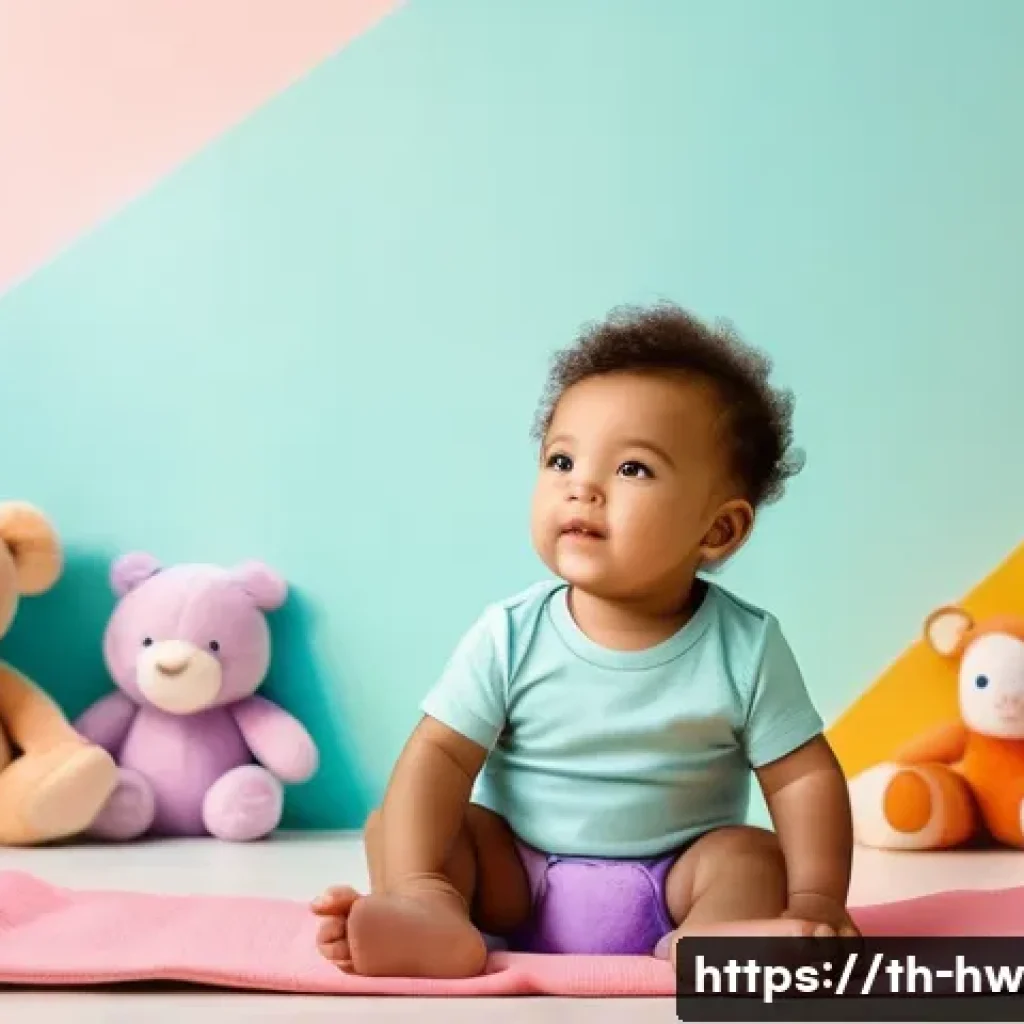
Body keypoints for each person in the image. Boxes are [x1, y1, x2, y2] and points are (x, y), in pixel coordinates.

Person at [312, 302, 858, 978]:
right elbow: (439, 758)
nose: (582, 489)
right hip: (518, 878)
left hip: (679, 884)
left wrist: (816, 898)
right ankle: (432, 913)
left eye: (632, 469)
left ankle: (718, 943)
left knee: (750, 855)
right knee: (402, 826)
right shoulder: (510, 634)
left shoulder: (744, 647)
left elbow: (804, 777)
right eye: (561, 460)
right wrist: (415, 873)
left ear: (717, 531)